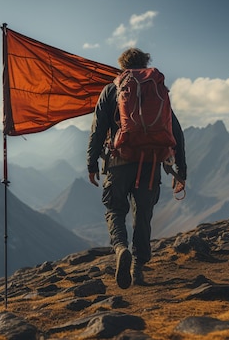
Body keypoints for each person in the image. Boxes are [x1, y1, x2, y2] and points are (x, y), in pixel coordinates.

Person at [87, 47, 187, 289]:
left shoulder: (113, 89)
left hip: (119, 161)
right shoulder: (157, 89)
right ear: (145, 64)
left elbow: (98, 129)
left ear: (122, 66)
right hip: (151, 162)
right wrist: (181, 171)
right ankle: (138, 269)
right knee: (143, 215)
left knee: (115, 209)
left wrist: (91, 163)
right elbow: (175, 130)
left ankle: (121, 249)